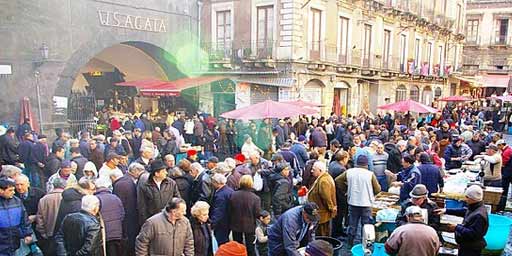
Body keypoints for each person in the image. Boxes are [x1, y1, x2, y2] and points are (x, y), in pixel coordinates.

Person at [336, 155, 381, 246]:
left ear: (356, 163)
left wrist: (346, 190)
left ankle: (350, 244)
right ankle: (365, 244)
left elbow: (338, 180)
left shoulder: (349, 172)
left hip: (353, 202)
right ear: (366, 164)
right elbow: (378, 189)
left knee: (352, 225)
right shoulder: (370, 174)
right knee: (366, 226)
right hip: (366, 203)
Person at [435, 185, 489, 256]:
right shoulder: (475, 206)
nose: (465, 199)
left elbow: (473, 234)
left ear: (473, 199)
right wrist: (446, 210)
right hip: (465, 245)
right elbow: (465, 211)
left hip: (471, 249)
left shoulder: (479, 215)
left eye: (467, 197)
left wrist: (456, 227)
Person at [112, 162, 144, 256]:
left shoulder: (125, 182)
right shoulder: (123, 184)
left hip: (129, 217)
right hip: (127, 218)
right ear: (135, 172)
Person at [137, 159, 180, 225]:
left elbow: (177, 200)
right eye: (163, 171)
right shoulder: (145, 186)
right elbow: (142, 206)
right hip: (153, 220)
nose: (166, 173)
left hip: (169, 218)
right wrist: (145, 222)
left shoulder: (171, 183)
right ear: (156, 173)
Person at [229, 175, 261, 256]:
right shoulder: (255, 198)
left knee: (237, 246)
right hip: (250, 225)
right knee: (250, 247)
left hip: (235, 224)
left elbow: (229, 210)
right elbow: (257, 213)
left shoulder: (233, 195)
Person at [0, 178, 33, 255]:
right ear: (1, 191)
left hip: (15, 243)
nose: (14, 192)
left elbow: (24, 219)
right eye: (10, 190)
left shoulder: (17, 201)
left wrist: (27, 234)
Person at [94, 177, 125, 256]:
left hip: (105, 234)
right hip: (117, 233)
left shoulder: (96, 199)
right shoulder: (115, 197)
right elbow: (122, 214)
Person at [36, 177, 66, 255]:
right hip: (64, 235)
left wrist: (43, 233)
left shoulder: (44, 199)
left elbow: (40, 218)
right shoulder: (66, 198)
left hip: (49, 234)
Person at [307, 161, 337, 236]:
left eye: (314, 170)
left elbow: (326, 197)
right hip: (322, 213)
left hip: (322, 214)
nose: (311, 171)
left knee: (322, 233)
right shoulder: (323, 178)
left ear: (320, 170)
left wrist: (331, 208)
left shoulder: (323, 181)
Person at [210, 173, 234, 245]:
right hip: (228, 221)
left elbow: (219, 211)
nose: (212, 184)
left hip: (221, 224)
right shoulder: (229, 190)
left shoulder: (220, 195)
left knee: (221, 242)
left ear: (217, 183)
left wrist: (212, 224)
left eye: (213, 182)